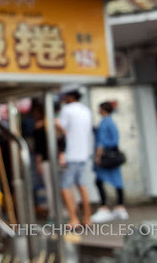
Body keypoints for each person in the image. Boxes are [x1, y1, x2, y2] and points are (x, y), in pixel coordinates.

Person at [56, 89, 93, 227]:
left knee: (65, 186)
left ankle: (74, 219)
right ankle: (87, 218)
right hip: (83, 153)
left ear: (70, 97)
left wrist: (55, 122)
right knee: (81, 185)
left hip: (70, 154)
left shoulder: (67, 109)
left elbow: (61, 127)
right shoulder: (86, 110)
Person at [90, 102, 128, 223]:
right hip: (113, 154)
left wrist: (98, 156)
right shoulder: (111, 122)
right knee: (117, 181)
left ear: (102, 110)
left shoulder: (104, 123)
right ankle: (120, 207)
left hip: (106, 155)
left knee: (99, 181)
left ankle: (104, 207)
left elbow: (101, 142)